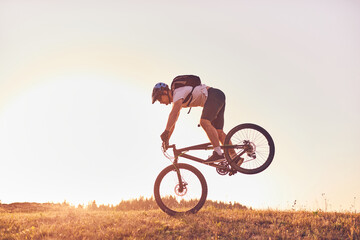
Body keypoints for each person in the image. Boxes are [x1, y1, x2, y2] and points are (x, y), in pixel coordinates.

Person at [152, 76, 241, 164]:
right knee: (218, 132)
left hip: (213, 96)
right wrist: (167, 138)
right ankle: (235, 158)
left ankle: (218, 153)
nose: (160, 102)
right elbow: (174, 121)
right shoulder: (178, 99)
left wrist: (166, 131)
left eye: (159, 98)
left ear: (164, 92)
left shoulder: (178, 93)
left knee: (204, 122)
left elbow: (173, 114)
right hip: (218, 96)